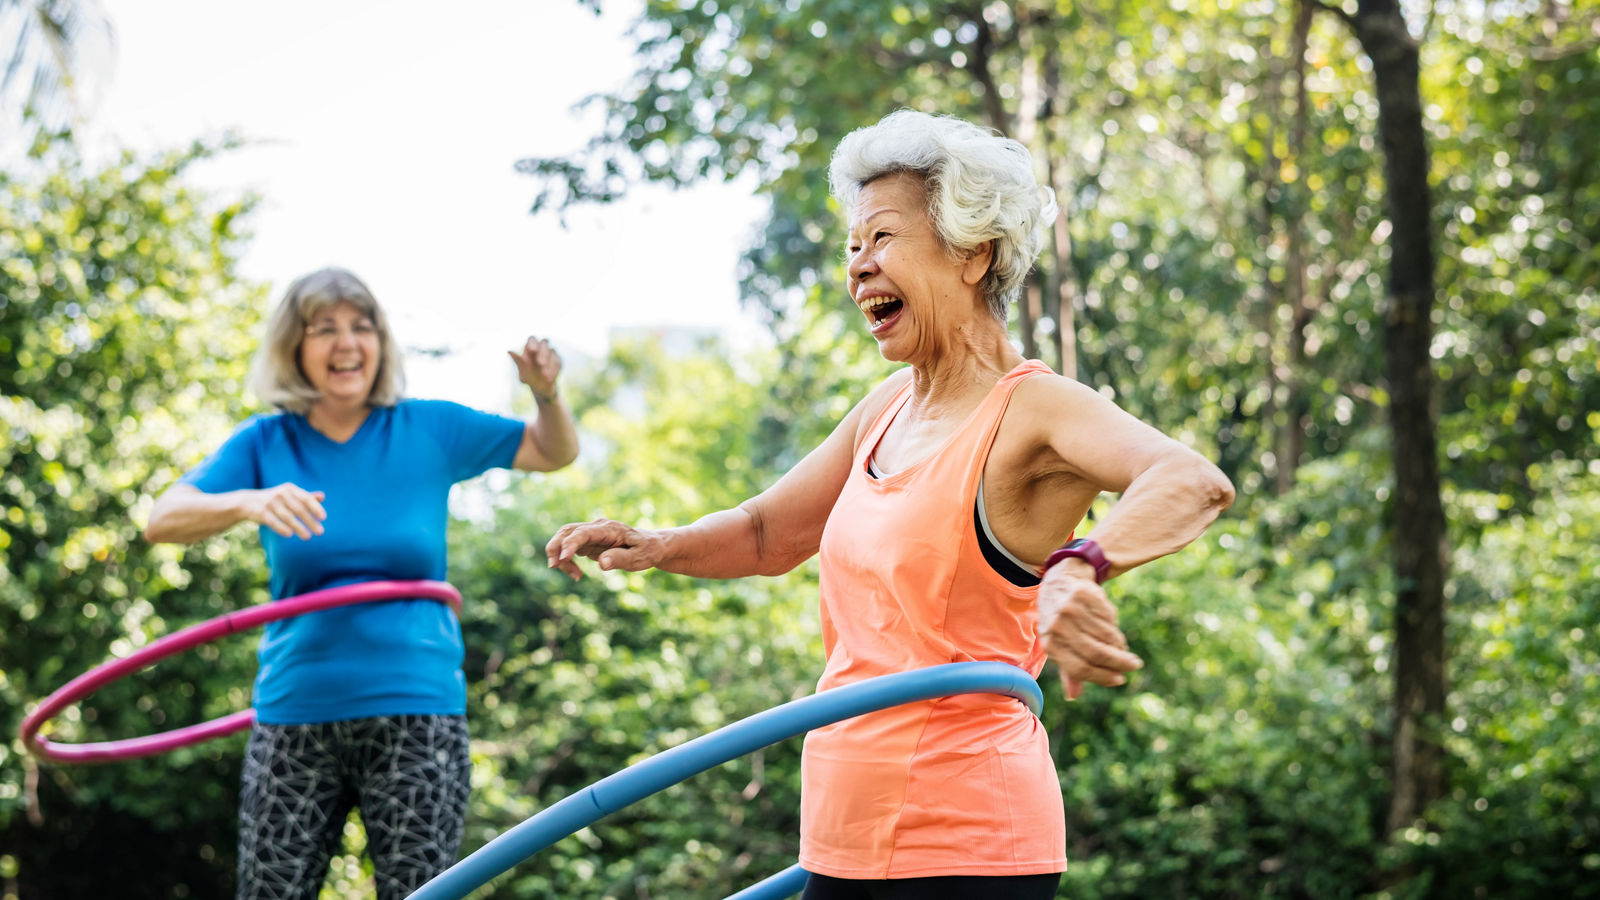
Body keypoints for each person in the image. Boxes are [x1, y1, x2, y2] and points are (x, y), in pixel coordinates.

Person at [545, 109, 1234, 899]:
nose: (858, 266)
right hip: (841, 837)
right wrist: (659, 543)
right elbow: (769, 533)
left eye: (881, 238)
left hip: (964, 843)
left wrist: (1080, 567)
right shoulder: (886, 408)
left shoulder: (1035, 410)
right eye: (852, 246)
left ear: (973, 253)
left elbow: (1190, 480)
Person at [143, 267, 579, 900]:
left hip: (417, 713)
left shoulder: (428, 428)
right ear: (295, 348)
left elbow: (552, 451)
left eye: (361, 326)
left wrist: (546, 393)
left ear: (381, 342)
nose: (346, 343)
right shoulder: (266, 442)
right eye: (324, 329)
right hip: (295, 714)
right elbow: (162, 518)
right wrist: (247, 502)